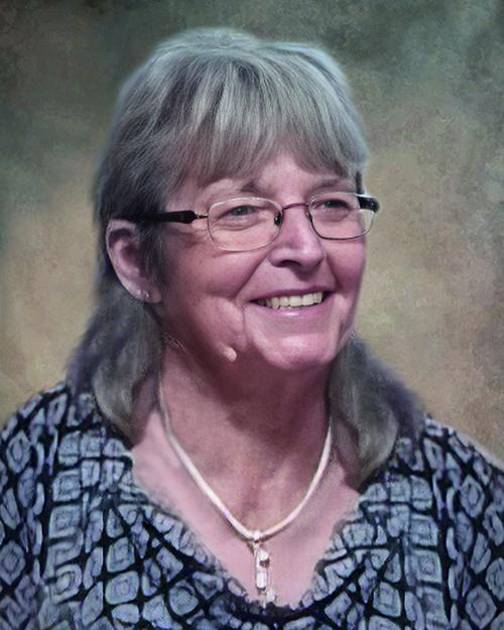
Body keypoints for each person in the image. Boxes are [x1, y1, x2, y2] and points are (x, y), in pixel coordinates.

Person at [1, 27, 502, 629]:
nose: (306, 248)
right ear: (136, 261)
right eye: (241, 211)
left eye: (332, 203)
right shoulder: (37, 476)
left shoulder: (462, 503)